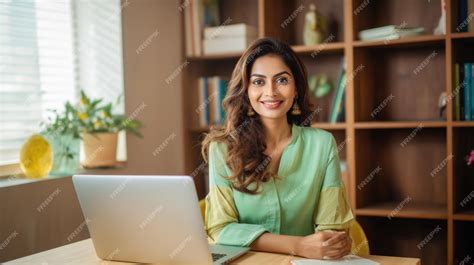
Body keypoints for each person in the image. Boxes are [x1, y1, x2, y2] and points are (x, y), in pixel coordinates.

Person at [201, 37, 353, 260]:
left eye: (282, 80)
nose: (271, 92)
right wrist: (298, 245)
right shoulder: (222, 148)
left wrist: (332, 244)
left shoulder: (322, 144)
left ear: (296, 89)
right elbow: (220, 230)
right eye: (258, 82)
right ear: (246, 90)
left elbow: (332, 232)